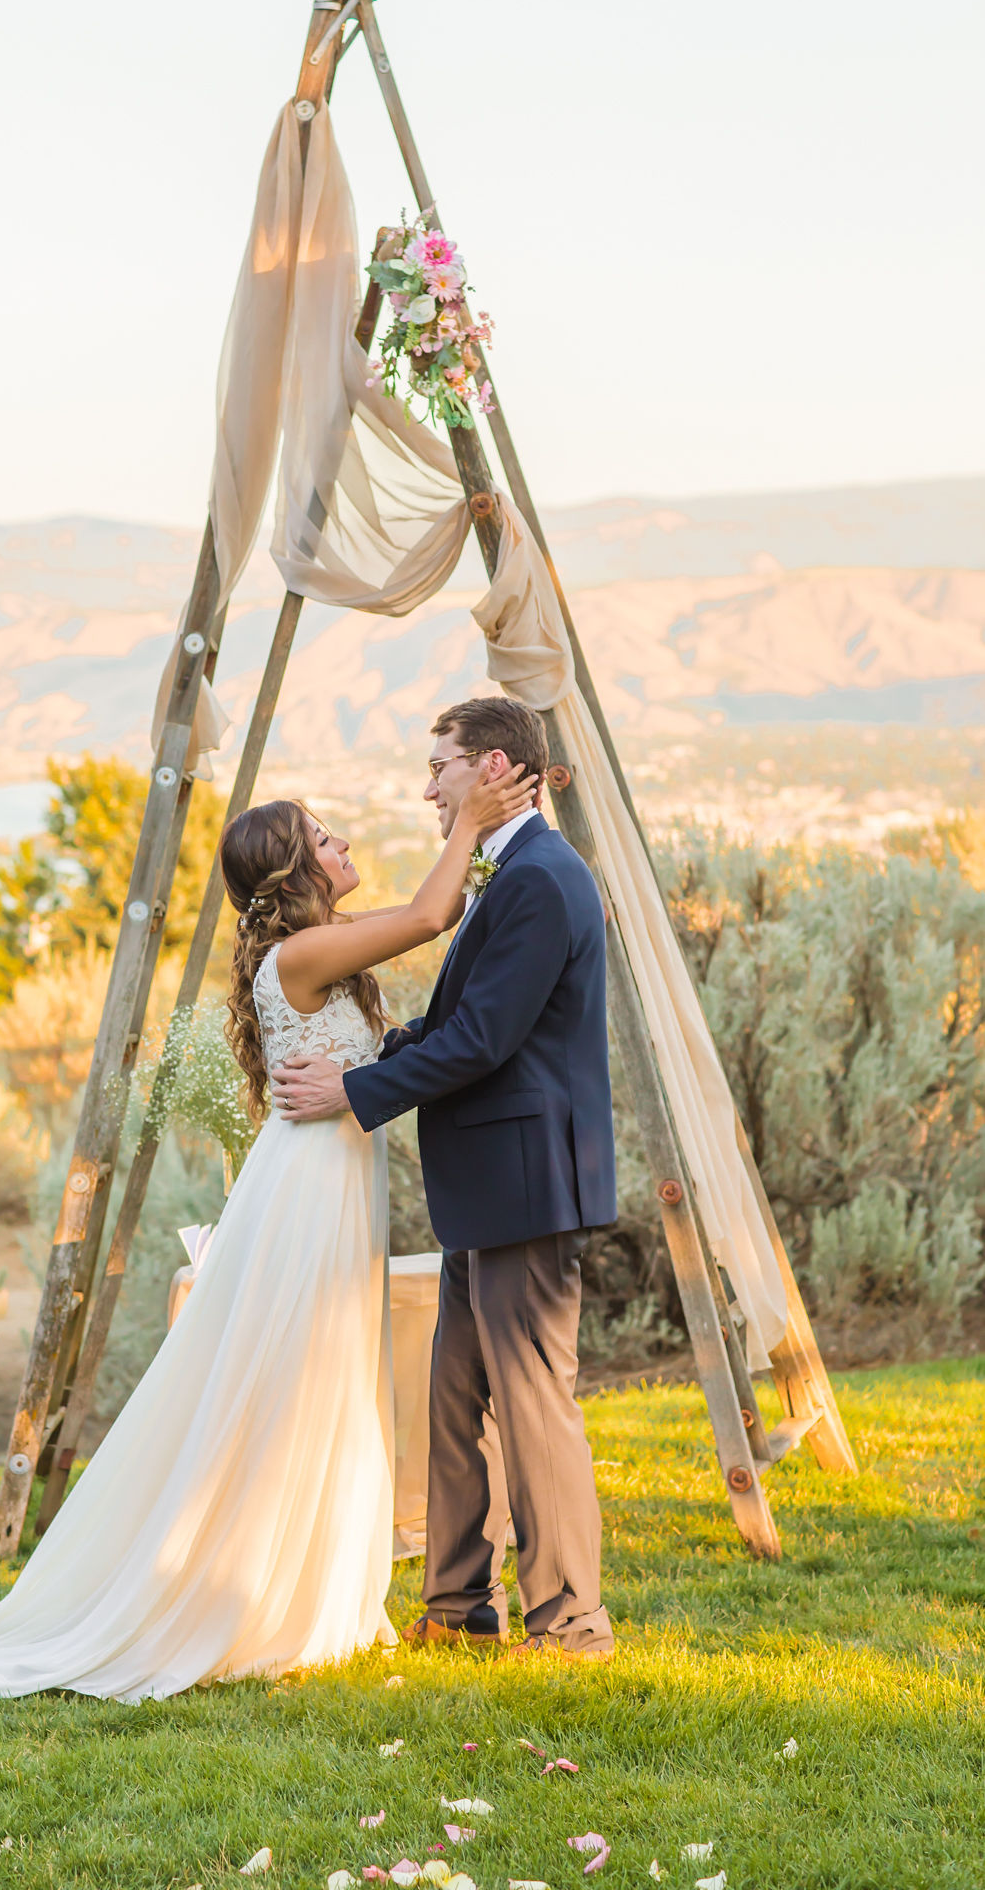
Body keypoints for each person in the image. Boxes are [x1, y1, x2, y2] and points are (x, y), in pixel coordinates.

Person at [0, 758, 536, 1702]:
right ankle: (245, 1589)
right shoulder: (299, 956)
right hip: (306, 1192)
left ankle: (304, 1578)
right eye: (324, 838)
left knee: (326, 1372)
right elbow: (424, 917)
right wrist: (475, 822)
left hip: (333, 1179)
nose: (342, 846)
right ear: (292, 874)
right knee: (292, 1374)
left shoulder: (317, 949)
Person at [274, 696, 618, 1660]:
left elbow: (485, 1038)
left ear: (494, 767)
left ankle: (569, 1622)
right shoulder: (505, 873)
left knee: (531, 1401)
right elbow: (451, 1020)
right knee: (455, 1396)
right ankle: (461, 1608)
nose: (428, 787)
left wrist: (355, 1089)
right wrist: (376, 1050)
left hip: (526, 1180)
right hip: (487, 1183)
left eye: (440, 767)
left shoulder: (543, 879)